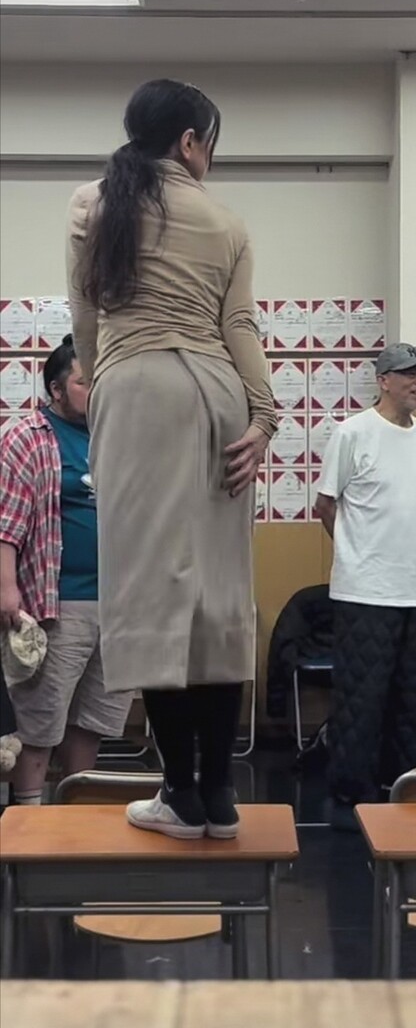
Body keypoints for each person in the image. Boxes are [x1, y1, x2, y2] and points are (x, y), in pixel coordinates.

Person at [66, 79, 277, 840]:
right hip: (221, 395)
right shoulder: (227, 221)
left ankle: (178, 793)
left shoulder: (93, 204)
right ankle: (219, 794)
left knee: (149, 597)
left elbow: (86, 321)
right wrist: (265, 415)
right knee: (219, 598)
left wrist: (109, 386)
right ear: (190, 142)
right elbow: (240, 326)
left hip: (136, 392)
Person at [0, 337, 132, 804]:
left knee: (92, 722)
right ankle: (29, 823)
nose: (95, 391)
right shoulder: (27, 437)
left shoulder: (116, 436)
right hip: (57, 603)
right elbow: (6, 523)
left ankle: (74, 820)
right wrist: (7, 588)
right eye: (84, 382)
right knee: (39, 726)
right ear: (56, 390)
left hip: (117, 604)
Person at [315, 342, 416, 829]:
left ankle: (404, 786)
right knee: (361, 699)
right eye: (410, 374)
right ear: (383, 380)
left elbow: (414, 508)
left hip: (415, 587)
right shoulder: (353, 433)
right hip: (364, 590)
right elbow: (326, 504)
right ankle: (351, 794)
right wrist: (354, 551)